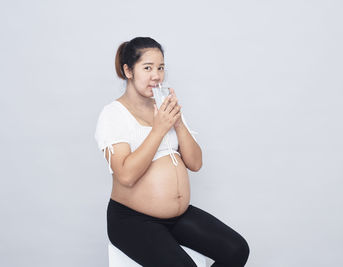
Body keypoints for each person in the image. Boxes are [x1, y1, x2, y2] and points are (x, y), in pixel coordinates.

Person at [94, 37, 250, 267]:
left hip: (176, 216)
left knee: (236, 250)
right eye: (147, 68)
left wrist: (176, 122)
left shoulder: (165, 108)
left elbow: (196, 163)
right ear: (128, 71)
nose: (156, 75)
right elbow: (126, 176)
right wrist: (159, 129)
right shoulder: (113, 114)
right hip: (131, 220)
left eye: (160, 67)